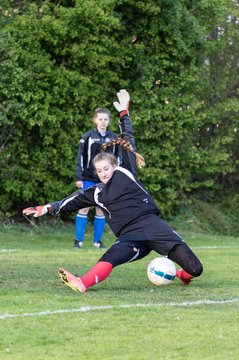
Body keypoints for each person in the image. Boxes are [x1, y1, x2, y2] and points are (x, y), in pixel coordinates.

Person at [23, 89, 203, 293]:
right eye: (99, 171)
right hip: (130, 236)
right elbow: (70, 202)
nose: (103, 173)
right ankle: (82, 283)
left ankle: (181, 276)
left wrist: (124, 112)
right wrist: (46, 208)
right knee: (112, 256)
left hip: (153, 226)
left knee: (196, 268)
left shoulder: (125, 170)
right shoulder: (97, 192)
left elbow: (128, 136)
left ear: (114, 165)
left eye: (106, 169)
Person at [74, 107, 120, 249]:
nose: (103, 122)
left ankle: (97, 241)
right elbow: (80, 157)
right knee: (84, 208)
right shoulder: (88, 136)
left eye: (105, 119)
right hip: (88, 178)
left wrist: (117, 177)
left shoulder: (113, 137)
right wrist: (79, 177)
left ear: (108, 121)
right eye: (100, 119)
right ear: (95, 120)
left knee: (101, 209)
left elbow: (118, 159)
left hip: (106, 179)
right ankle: (78, 241)